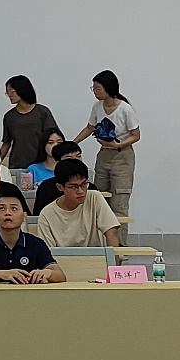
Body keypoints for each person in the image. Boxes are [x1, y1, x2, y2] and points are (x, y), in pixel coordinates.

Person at [74, 70, 139, 244]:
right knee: (99, 198)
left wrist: (119, 144)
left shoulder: (125, 109)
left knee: (119, 203)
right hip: (104, 155)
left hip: (122, 156)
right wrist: (73, 143)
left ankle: (119, 249)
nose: (95, 91)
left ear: (108, 88)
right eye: (93, 88)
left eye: (98, 88)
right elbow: (89, 128)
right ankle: (100, 245)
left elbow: (136, 135)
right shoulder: (97, 107)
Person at [0, 186, 66, 284]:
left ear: (24, 216)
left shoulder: (36, 243)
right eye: (1, 208)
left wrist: (47, 273)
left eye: (14, 208)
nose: (7, 213)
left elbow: (60, 275)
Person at [36, 158, 122, 248]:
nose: (81, 191)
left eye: (84, 184)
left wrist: (113, 256)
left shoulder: (94, 197)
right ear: (60, 187)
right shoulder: (47, 214)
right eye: (74, 187)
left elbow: (111, 230)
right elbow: (46, 251)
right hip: (61, 257)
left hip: (94, 255)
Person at [0, 75, 60, 172]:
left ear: (22, 89)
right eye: (7, 92)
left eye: (12, 91)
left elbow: (53, 137)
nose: (9, 95)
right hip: (18, 164)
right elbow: (6, 143)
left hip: (41, 163)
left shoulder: (42, 112)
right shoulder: (9, 116)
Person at [32, 141, 88, 214]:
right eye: (69, 158)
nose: (75, 161)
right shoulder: (46, 187)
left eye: (78, 156)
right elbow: (38, 215)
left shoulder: (90, 188)